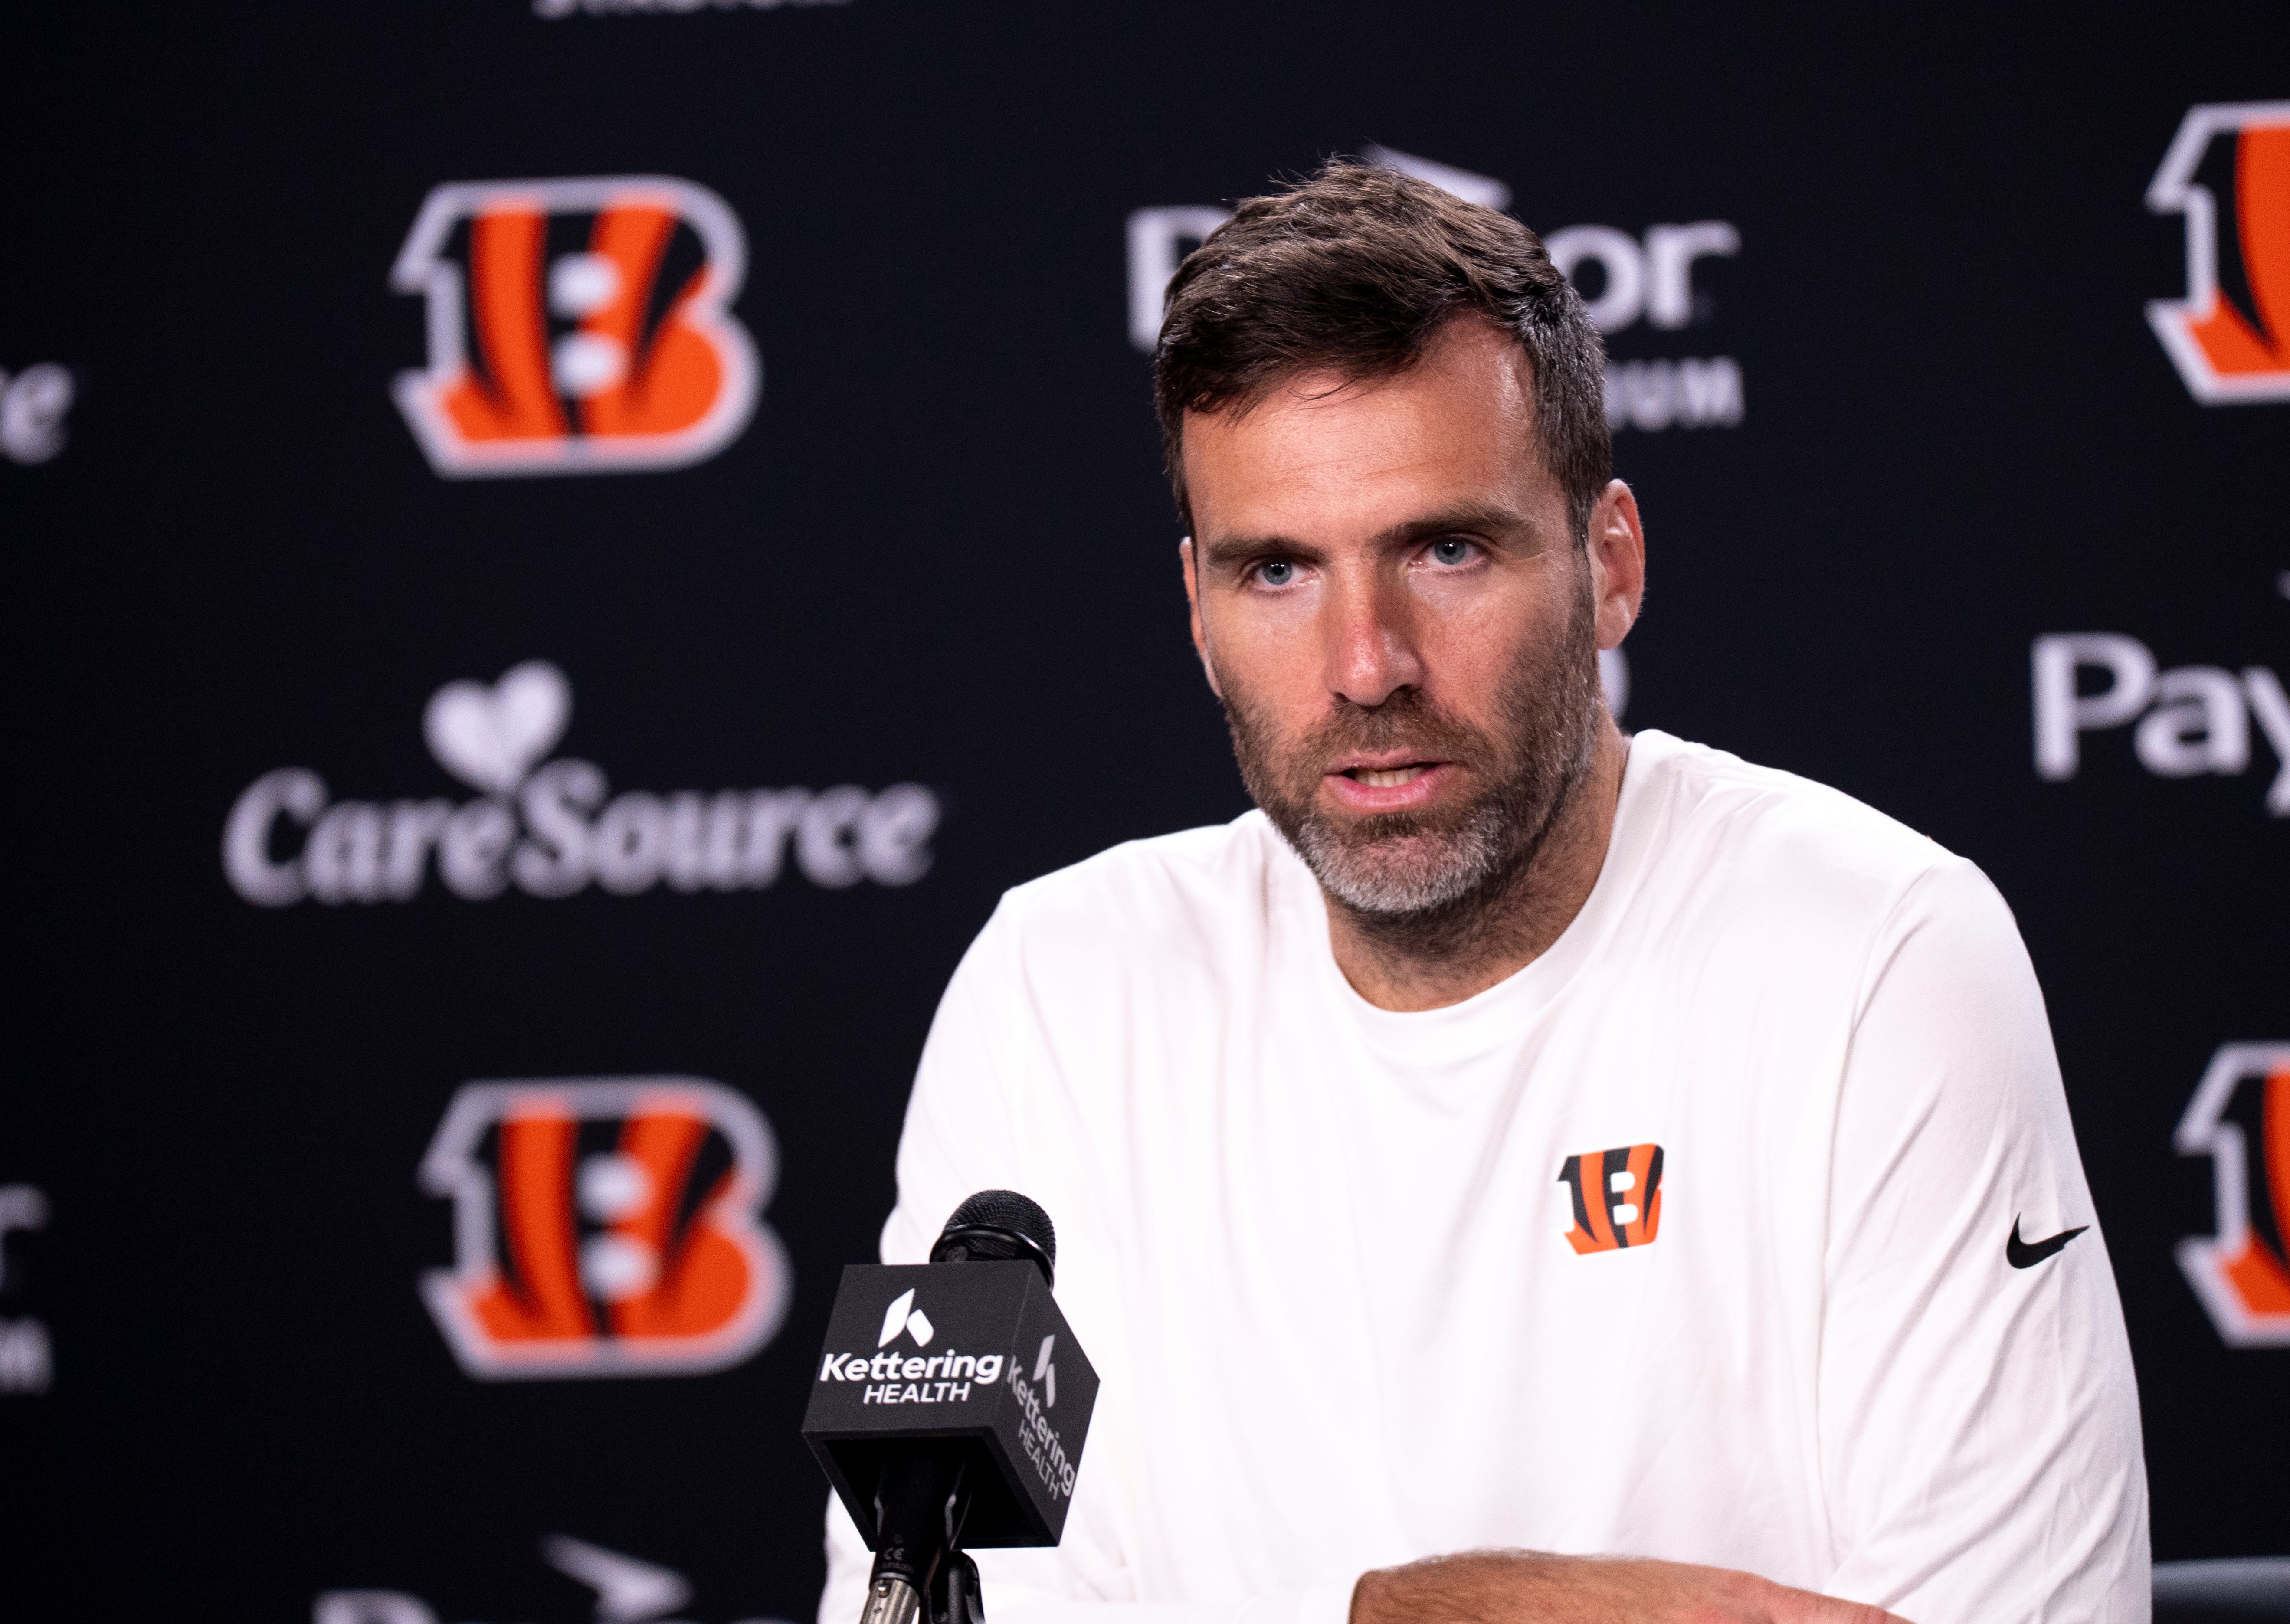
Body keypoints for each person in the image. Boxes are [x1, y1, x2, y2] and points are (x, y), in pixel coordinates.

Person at [819, 159, 2148, 1624]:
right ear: (1196, 612)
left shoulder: (1875, 954)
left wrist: (1425, 1610)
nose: (1366, 661)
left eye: (1446, 549)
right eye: (1277, 573)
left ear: (1611, 564)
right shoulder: (1057, 992)